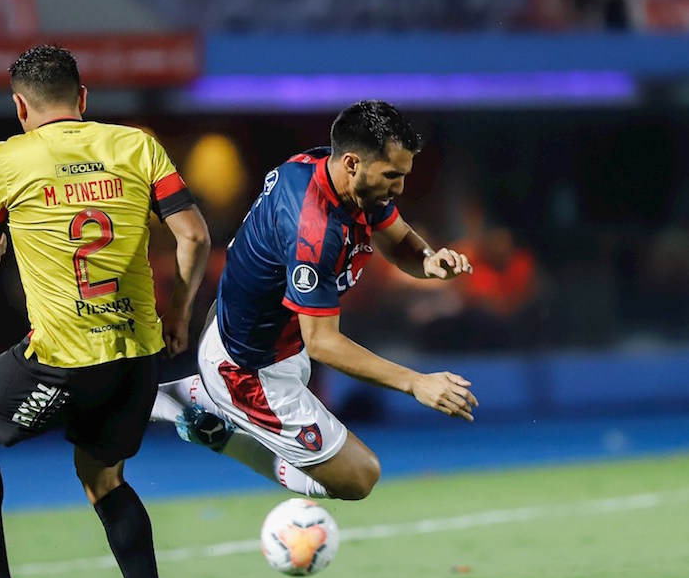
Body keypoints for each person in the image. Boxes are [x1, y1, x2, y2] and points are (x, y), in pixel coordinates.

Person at [0, 44, 211, 578]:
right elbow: (194, 235)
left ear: (20, 106)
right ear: (83, 99)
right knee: (102, 475)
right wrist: (179, 312)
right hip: (139, 354)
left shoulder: (5, 159)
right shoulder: (137, 145)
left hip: (63, 357)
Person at [151, 100, 477, 500]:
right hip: (248, 369)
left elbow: (397, 239)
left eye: (403, 175)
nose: (399, 189)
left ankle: (204, 395)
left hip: (264, 335)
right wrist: (416, 382)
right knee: (358, 478)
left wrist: (428, 260)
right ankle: (203, 416)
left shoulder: (332, 171)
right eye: (392, 176)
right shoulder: (315, 231)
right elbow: (323, 342)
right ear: (353, 164)